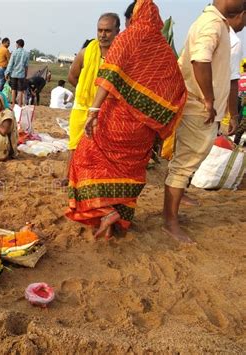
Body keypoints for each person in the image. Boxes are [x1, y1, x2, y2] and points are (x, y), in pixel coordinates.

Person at [66, 0, 187, 240]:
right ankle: (114, 222)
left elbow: (108, 76)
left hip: (116, 120)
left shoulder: (127, 39)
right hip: (142, 131)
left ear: (135, 17)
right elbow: (176, 89)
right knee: (128, 172)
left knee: (86, 160)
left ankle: (106, 210)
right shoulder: (162, 49)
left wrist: (93, 111)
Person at [163, 0, 244, 244]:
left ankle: (171, 216)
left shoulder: (211, 21)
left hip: (197, 105)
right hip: (200, 107)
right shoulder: (212, 24)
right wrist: (208, 99)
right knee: (184, 166)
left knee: (184, 163)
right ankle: (170, 222)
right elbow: (199, 60)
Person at [64, 13, 120, 185]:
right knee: (74, 144)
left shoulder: (121, 55)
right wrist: (86, 93)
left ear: (117, 31)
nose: (103, 35)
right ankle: (68, 177)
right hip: (82, 107)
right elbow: (72, 77)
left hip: (107, 109)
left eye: (108, 31)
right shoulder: (85, 53)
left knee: (101, 147)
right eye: (100, 30)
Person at [5, 39, 29, 106]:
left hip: (13, 74)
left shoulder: (14, 52)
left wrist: (7, 72)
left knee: (13, 89)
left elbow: (10, 63)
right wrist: (26, 74)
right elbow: (26, 66)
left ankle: (13, 103)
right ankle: (20, 104)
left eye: (16, 44)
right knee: (20, 90)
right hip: (21, 74)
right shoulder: (26, 53)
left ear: (18, 44)